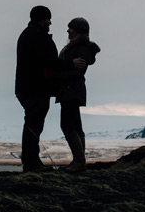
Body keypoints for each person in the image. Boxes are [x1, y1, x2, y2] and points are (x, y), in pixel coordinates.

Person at [15, 5, 85, 172]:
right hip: (35, 89)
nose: (50, 22)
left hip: (29, 88)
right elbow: (48, 61)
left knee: (33, 124)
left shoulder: (30, 34)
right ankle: (32, 163)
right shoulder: (37, 35)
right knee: (33, 125)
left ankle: (31, 161)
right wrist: (71, 63)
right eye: (48, 18)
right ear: (41, 19)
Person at [53, 17, 100, 173]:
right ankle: (79, 161)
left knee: (67, 124)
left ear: (78, 30)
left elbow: (76, 71)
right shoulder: (80, 47)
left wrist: (56, 76)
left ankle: (79, 162)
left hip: (70, 89)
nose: (68, 30)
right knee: (75, 125)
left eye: (70, 28)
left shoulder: (80, 48)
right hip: (73, 89)